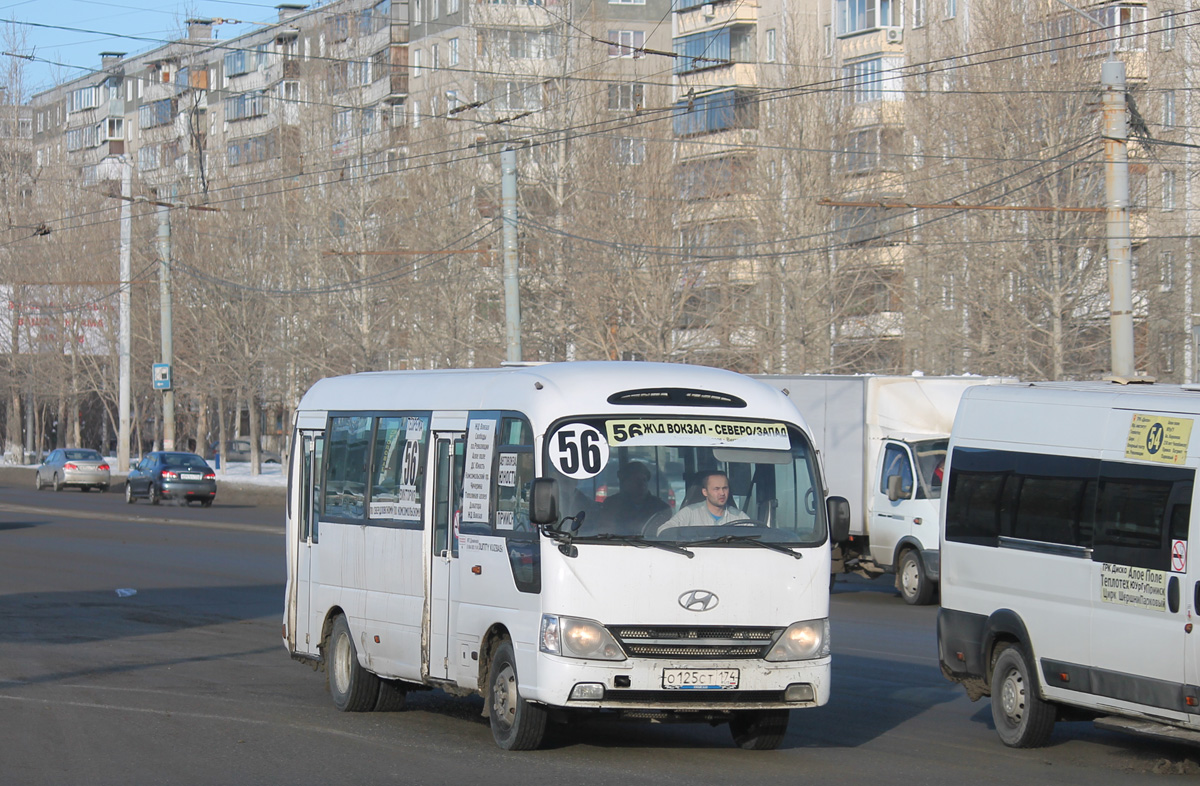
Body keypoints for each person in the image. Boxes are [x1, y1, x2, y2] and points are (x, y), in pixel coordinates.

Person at [595, 461, 670, 535]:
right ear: (625, 482)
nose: (641, 484)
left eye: (644, 480)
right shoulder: (612, 504)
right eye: (636, 480)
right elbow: (605, 531)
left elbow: (664, 535)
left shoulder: (660, 508)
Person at [658, 470, 745, 532]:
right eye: (716, 489)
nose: (722, 493)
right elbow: (663, 531)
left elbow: (756, 536)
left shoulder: (739, 517)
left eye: (725, 488)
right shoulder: (689, 513)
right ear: (705, 492)